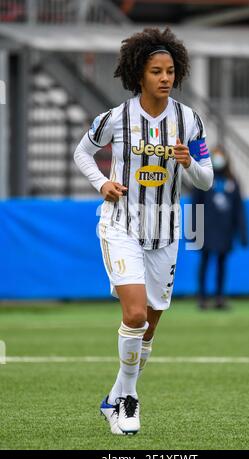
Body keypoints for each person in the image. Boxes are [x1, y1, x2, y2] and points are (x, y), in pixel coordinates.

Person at [74, 27, 213, 436]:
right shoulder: (115, 119)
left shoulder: (190, 121)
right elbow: (83, 152)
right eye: (156, 71)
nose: (165, 78)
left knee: (148, 329)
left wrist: (190, 164)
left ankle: (112, 400)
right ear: (140, 75)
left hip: (167, 233)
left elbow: (205, 180)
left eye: (170, 70)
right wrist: (102, 183)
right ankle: (130, 400)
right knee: (134, 315)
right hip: (121, 226)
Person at [192, 146, 249, 310]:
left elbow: (239, 208)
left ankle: (219, 298)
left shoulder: (232, 180)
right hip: (206, 228)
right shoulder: (203, 178)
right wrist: (193, 230)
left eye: (221, 156)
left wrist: (242, 233)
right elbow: (196, 204)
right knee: (205, 262)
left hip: (225, 229)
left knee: (222, 263)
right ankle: (202, 297)